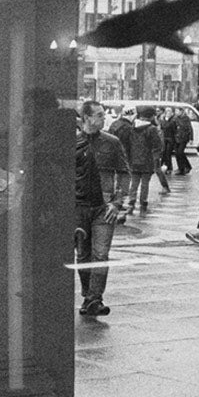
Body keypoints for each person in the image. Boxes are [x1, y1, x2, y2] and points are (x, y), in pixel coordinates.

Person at [74, 100, 129, 318]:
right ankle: (88, 295)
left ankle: (95, 298)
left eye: (103, 115)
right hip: (79, 206)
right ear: (86, 118)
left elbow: (124, 173)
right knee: (83, 254)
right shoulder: (73, 142)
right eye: (98, 115)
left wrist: (117, 202)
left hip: (104, 207)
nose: (103, 118)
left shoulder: (112, 142)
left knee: (101, 253)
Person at [125, 106, 166, 211]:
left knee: (134, 182)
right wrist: (156, 158)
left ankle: (131, 202)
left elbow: (128, 144)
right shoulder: (151, 129)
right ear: (151, 116)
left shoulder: (132, 127)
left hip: (134, 160)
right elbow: (157, 145)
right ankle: (143, 202)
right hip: (147, 161)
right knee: (145, 183)